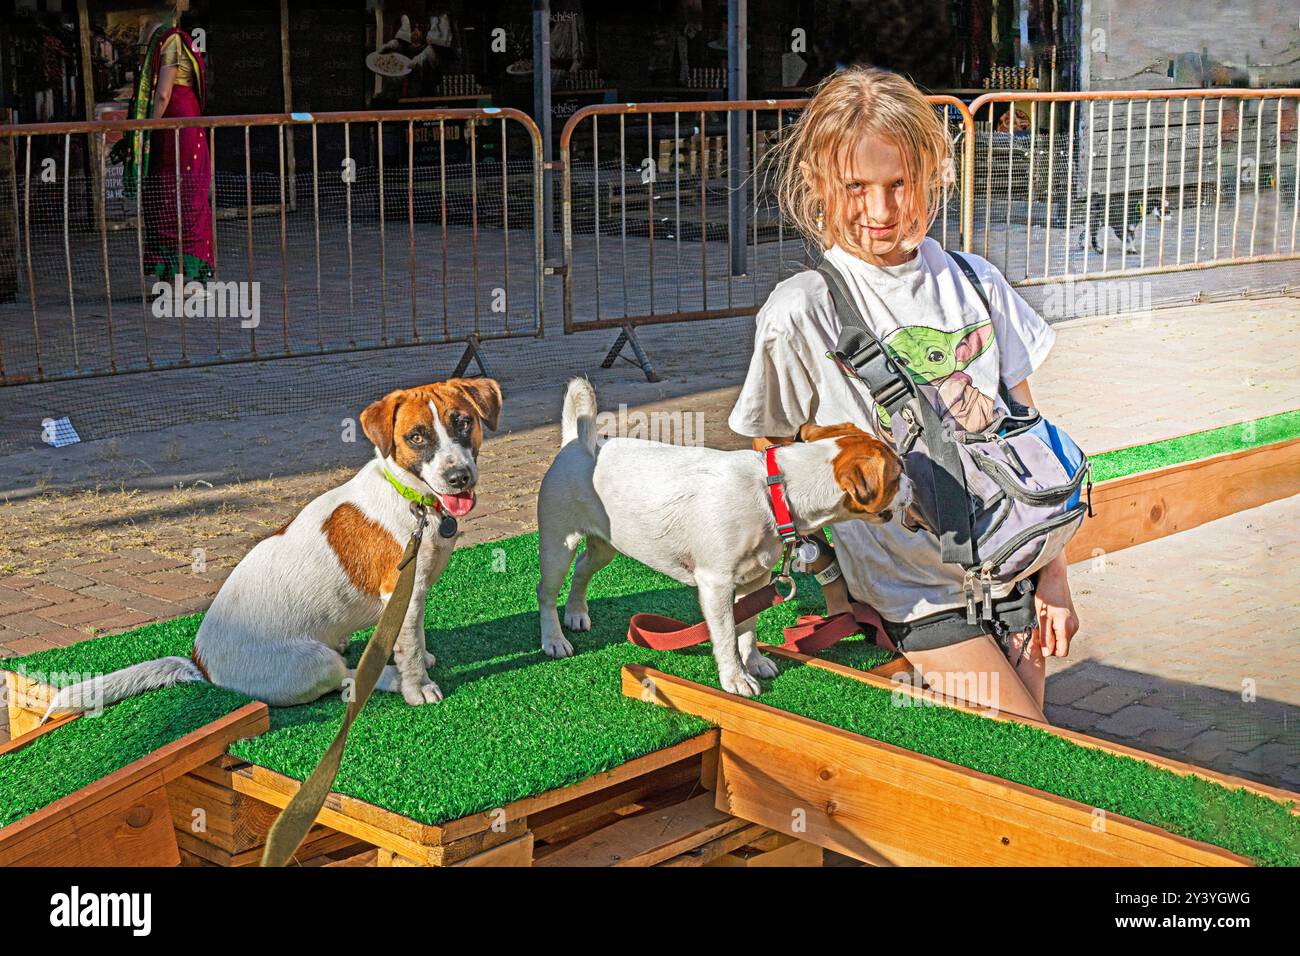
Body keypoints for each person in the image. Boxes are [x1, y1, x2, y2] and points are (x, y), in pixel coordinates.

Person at [730, 66, 1079, 722]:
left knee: (1035, 760)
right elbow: (771, 466)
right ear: (816, 184)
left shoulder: (978, 281)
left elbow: (1032, 440)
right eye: (856, 187)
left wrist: (1054, 578)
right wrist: (827, 581)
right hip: (918, 595)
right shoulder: (803, 310)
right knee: (1031, 755)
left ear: (934, 173)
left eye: (900, 184)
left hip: (1013, 568)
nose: (881, 212)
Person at [120, 1, 213, 284]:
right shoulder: (173, 39)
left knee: (173, 197)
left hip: (172, 128)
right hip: (184, 126)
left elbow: (162, 93)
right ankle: (183, 278)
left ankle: (181, 278)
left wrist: (146, 129)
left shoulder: (169, 40)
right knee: (182, 197)